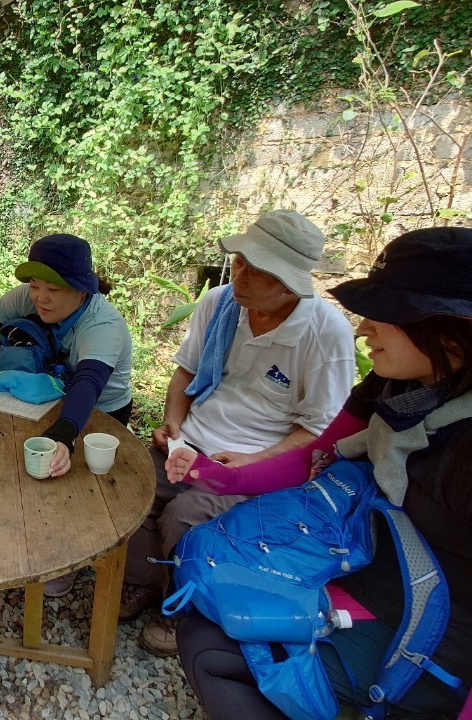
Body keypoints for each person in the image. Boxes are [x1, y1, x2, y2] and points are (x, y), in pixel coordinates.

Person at [174, 226, 472, 720]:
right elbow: (317, 452)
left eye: (384, 313)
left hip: (426, 628)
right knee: (209, 598)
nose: (364, 329)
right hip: (356, 554)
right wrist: (219, 477)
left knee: (215, 650)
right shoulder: (399, 383)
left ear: (450, 330)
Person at [121, 210, 356, 657]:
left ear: (290, 285)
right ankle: (145, 581)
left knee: (185, 518)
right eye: (240, 261)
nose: (240, 276)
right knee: (131, 490)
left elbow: (318, 431)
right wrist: (174, 423)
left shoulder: (325, 334)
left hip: (255, 463)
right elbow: (186, 372)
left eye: (257, 271)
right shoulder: (221, 303)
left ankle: (184, 609)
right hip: (191, 442)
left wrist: (253, 463)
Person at [0, 233, 132, 596]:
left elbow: (88, 382)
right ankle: (24, 534)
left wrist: (64, 434)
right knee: (32, 469)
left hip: (101, 408)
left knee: (79, 482)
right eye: (34, 285)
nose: (40, 297)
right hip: (53, 392)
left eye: (53, 289)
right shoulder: (29, 297)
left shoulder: (102, 325)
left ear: (82, 290)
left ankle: (71, 555)